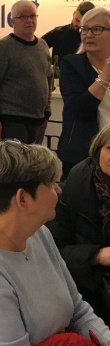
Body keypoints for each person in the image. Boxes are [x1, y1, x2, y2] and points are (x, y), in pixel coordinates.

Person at [0, 140, 110, 346]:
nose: (58, 190)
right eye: (50, 184)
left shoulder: (38, 232)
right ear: (22, 198)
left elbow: (78, 310)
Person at [48, 125, 110, 325]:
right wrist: (97, 255)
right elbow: (52, 253)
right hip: (86, 294)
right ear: (98, 149)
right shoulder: (71, 192)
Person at [0, 0, 52, 144]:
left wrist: (47, 110)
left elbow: (48, 79)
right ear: (13, 21)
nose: (29, 20)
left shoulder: (43, 45)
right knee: (15, 159)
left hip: (38, 120)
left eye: (32, 16)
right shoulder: (2, 48)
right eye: (23, 17)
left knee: (35, 158)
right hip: (12, 120)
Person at [58, 7, 110, 177]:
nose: (88, 35)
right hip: (82, 155)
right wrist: (105, 76)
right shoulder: (72, 64)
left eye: (97, 29)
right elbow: (79, 108)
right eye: (84, 29)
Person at [43, 1, 95, 65]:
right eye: (77, 20)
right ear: (74, 13)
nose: (78, 25)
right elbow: (38, 46)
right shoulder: (59, 32)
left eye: (83, 23)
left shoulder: (94, 38)